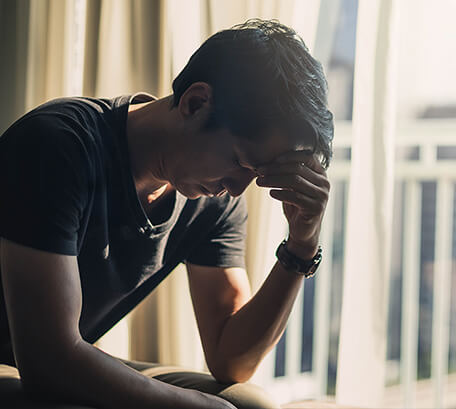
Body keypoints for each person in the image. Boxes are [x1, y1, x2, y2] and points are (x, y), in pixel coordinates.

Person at [0, 19, 333, 409]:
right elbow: (47, 360)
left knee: (249, 403)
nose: (239, 187)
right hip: (30, 359)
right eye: (241, 161)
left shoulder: (215, 197)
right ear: (195, 103)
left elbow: (231, 361)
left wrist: (302, 244)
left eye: (256, 174)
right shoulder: (57, 146)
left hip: (50, 359)